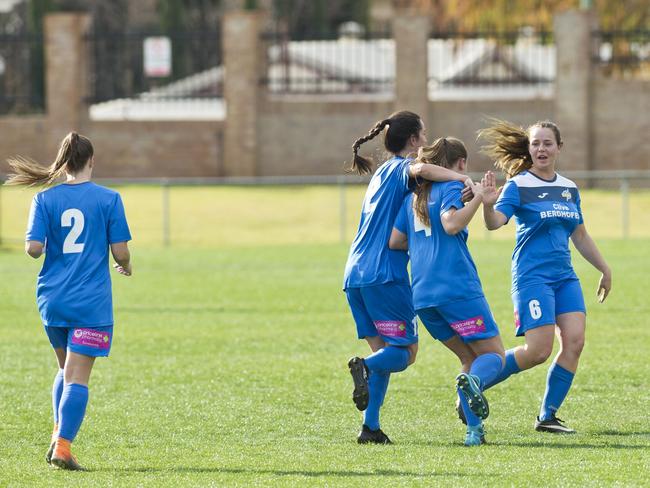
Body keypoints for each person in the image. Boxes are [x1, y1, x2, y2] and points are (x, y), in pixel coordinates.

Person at [5, 132, 132, 470]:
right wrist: (126, 264)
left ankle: (55, 435)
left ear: (63, 165)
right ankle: (62, 447)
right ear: (92, 160)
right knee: (78, 377)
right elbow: (120, 250)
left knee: (65, 368)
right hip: (90, 304)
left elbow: (33, 249)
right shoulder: (108, 199)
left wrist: (52, 247)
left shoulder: (44, 201)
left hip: (53, 299)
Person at [344, 111, 470, 444]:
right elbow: (422, 169)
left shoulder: (379, 174)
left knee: (387, 351)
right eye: (423, 135)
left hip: (354, 273)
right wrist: (461, 179)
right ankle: (366, 366)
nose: (426, 142)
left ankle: (370, 428)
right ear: (413, 139)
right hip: (384, 273)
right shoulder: (402, 168)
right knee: (405, 352)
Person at [478, 119, 612, 433]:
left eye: (547, 143)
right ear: (529, 148)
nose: (541, 149)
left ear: (558, 148)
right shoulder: (519, 185)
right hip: (531, 277)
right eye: (535, 143)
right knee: (538, 350)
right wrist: (486, 205)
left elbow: (579, 235)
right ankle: (475, 382)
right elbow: (495, 222)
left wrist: (604, 268)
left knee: (575, 343)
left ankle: (547, 416)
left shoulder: (569, 188)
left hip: (564, 278)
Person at [388, 137, 506, 446]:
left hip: (424, 297)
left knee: (468, 358)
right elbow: (451, 223)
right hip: (456, 288)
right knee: (494, 355)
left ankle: (474, 433)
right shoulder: (451, 188)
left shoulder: (410, 199)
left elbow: (396, 242)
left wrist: (422, 245)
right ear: (461, 164)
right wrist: (478, 198)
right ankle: (475, 384)